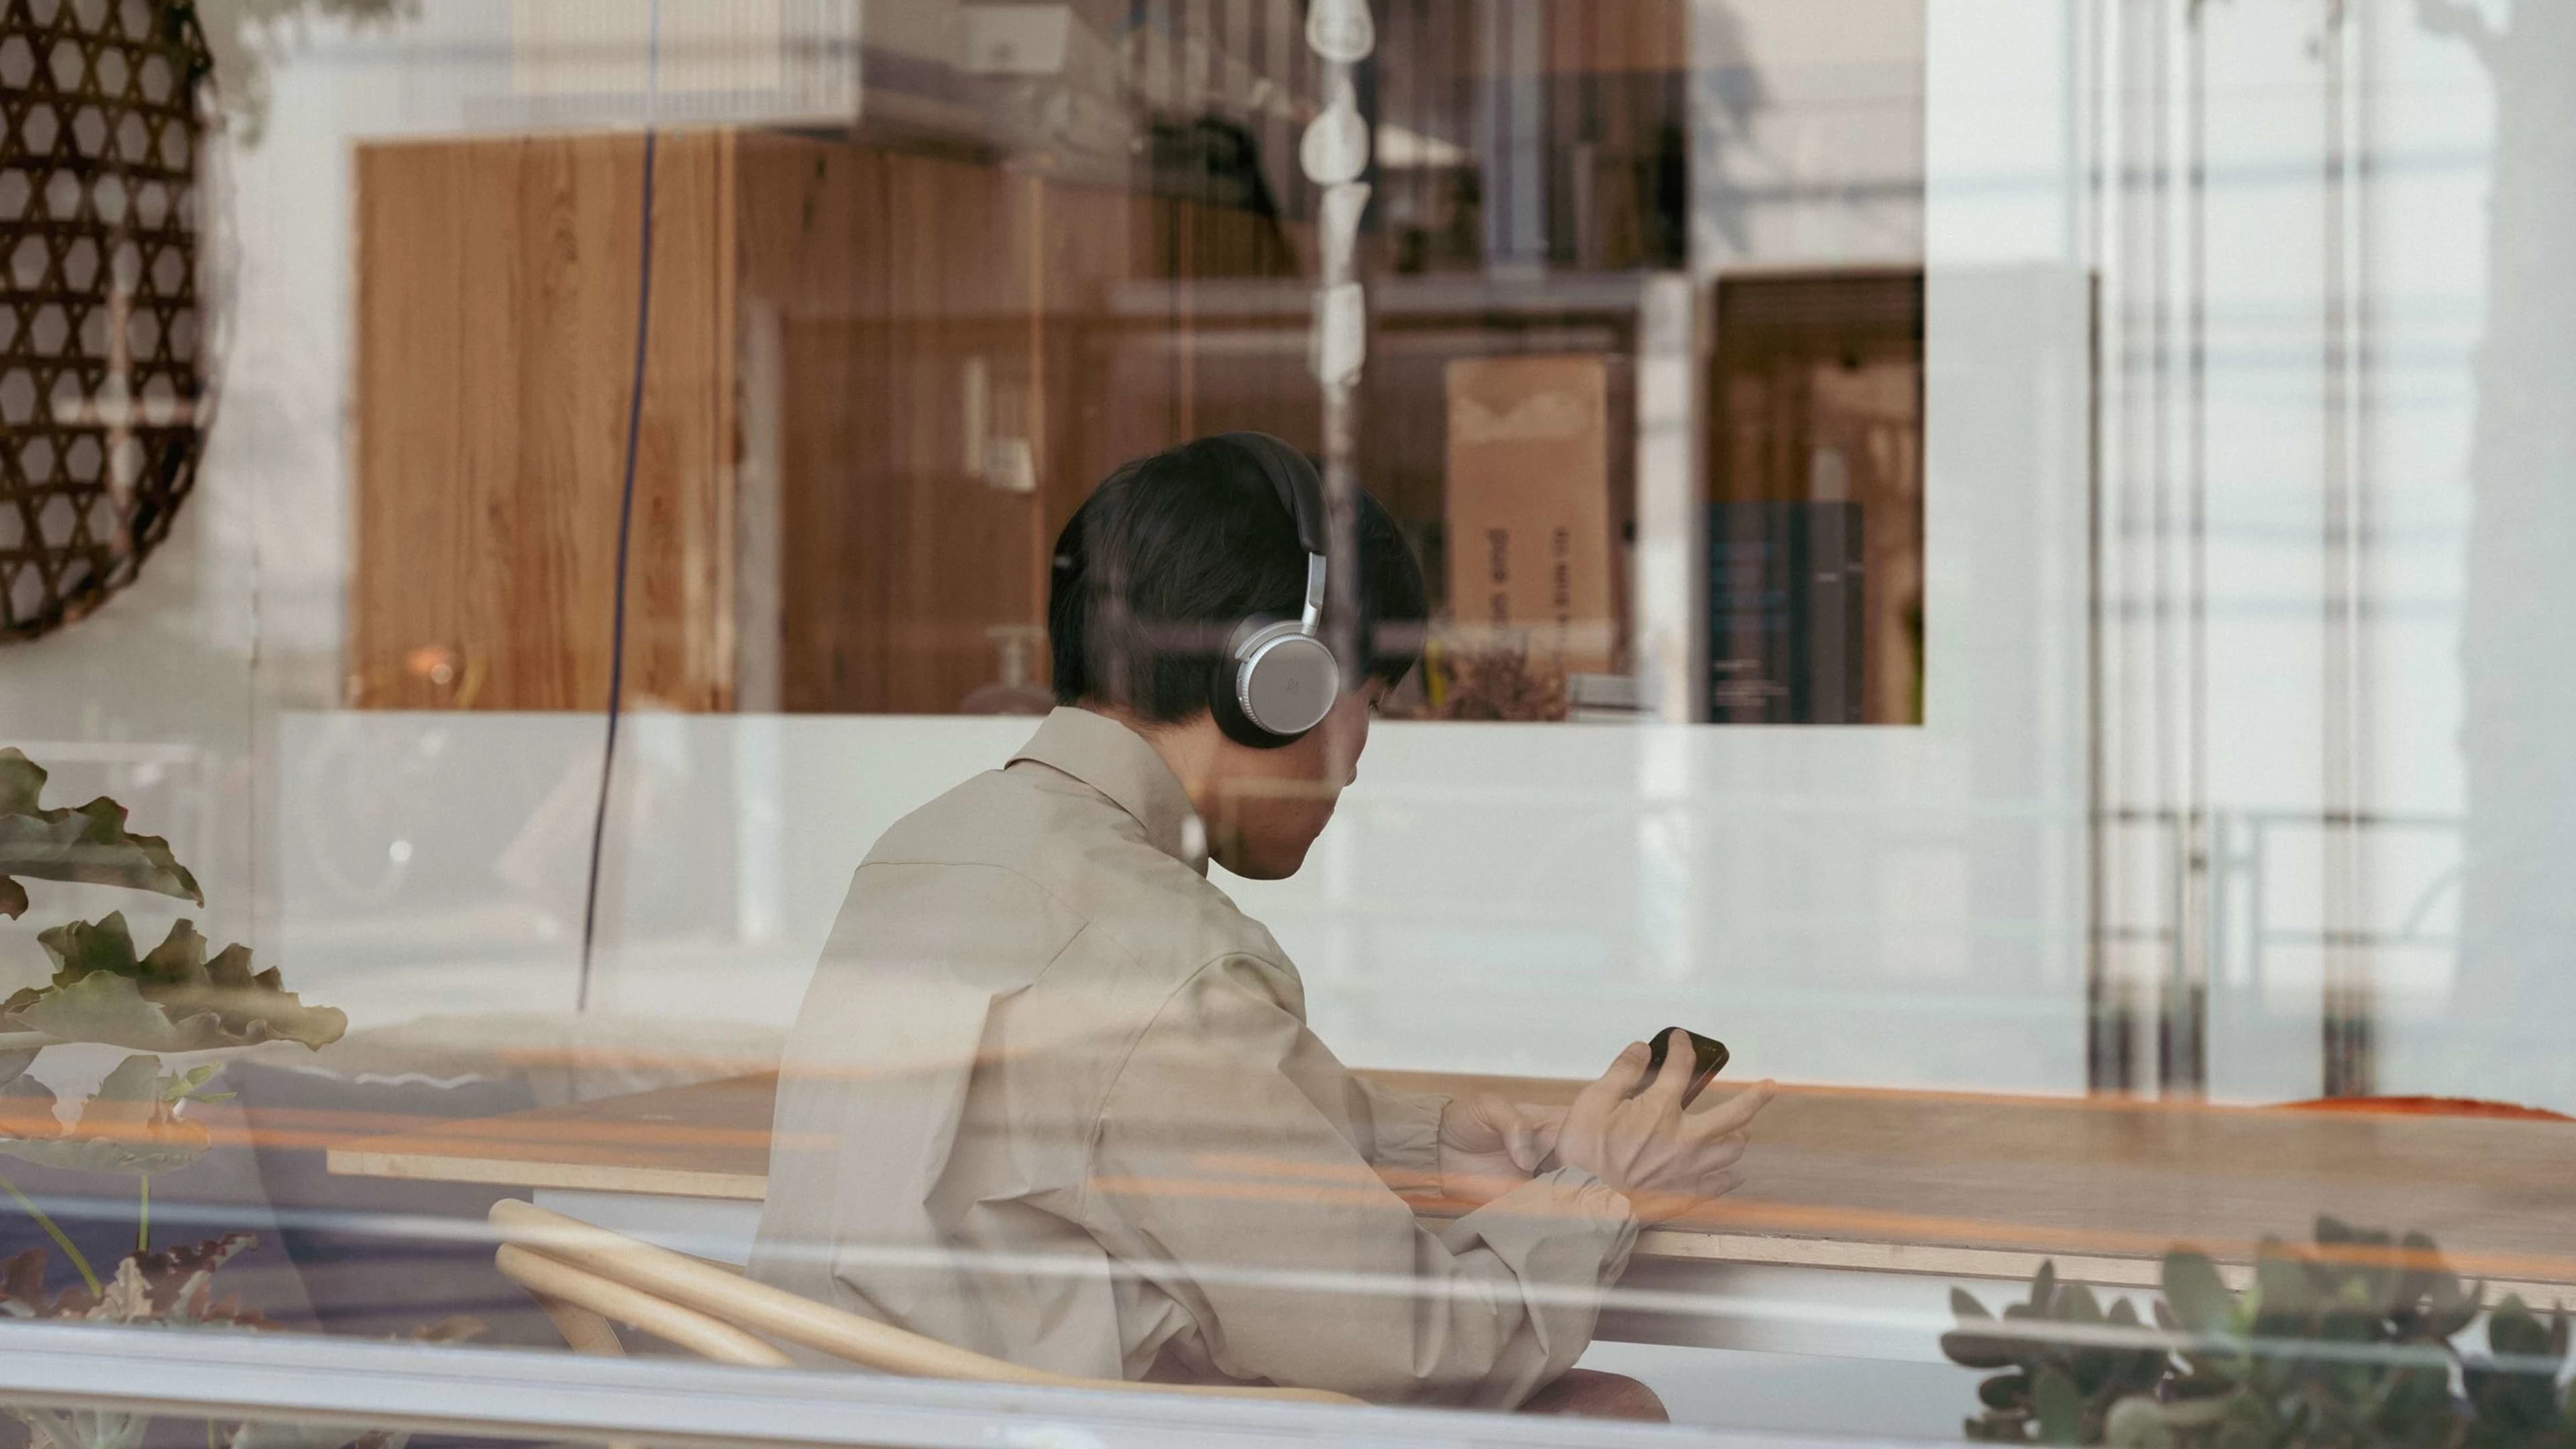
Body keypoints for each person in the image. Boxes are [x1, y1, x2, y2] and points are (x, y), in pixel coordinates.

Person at [749, 434, 1774, 1419]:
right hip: (1046, 1433)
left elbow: (1115, 1126)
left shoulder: (925, 851)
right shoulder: (1162, 961)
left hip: (846, 1419)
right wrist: (1602, 1193)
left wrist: (1420, 1139)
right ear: (1286, 686)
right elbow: (1422, 1354)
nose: (1363, 757)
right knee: (1606, 1414)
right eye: (1373, 702)